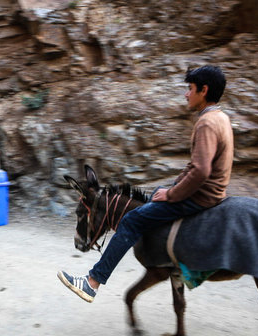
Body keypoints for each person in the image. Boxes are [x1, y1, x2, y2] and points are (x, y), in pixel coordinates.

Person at [57, 65, 234, 303]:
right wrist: (169, 190)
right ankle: (168, 260)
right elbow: (195, 166)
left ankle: (92, 282)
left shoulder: (206, 123)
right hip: (211, 192)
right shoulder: (220, 117)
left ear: (204, 90)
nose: (186, 94)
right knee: (153, 198)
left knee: (130, 220)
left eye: (190, 89)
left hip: (201, 197)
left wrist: (172, 196)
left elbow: (201, 170)